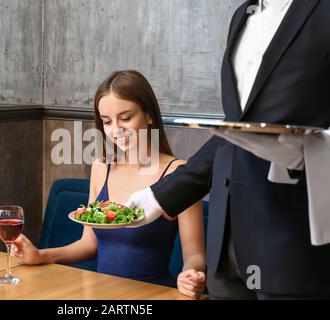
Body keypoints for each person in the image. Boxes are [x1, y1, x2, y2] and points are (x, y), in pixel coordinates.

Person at [125, 0, 330, 299]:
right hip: (225, 244)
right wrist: (160, 196)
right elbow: (234, 130)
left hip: (293, 243)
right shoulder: (241, 16)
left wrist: (315, 151)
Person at [11, 70, 206, 298]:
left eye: (125, 118)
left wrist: (191, 274)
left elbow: (195, 254)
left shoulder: (178, 173)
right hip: (101, 295)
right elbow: (89, 243)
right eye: (107, 121)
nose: (116, 130)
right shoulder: (101, 167)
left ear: (149, 114)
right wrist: (41, 255)